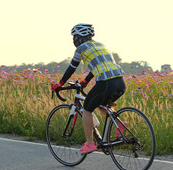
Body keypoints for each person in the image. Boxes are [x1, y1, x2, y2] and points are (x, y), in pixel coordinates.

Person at [51, 23, 126, 155]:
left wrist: (60, 84)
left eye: (74, 36)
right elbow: (99, 65)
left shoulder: (81, 48)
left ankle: (90, 144)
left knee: (86, 108)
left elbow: (72, 68)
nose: (73, 39)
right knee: (101, 104)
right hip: (120, 82)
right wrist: (85, 81)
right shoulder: (101, 45)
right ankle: (120, 125)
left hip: (106, 83)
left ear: (78, 37)